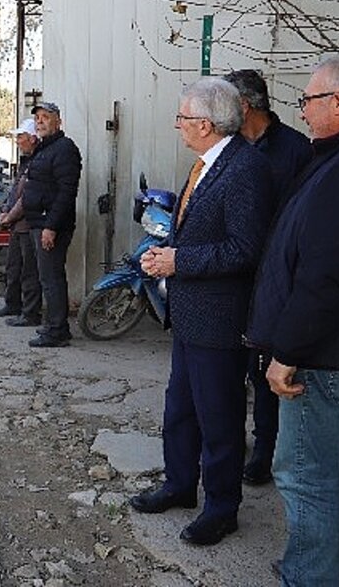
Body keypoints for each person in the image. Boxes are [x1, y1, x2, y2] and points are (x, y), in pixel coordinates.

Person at [130, 78, 272, 547]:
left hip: (220, 320)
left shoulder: (244, 169)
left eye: (183, 118)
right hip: (191, 316)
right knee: (180, 411)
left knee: (220, 418)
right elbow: (196, 234)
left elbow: (245, 249)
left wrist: (179, 261)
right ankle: (179, 486)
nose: (178, 125)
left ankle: (221, 508)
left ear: (206, 124)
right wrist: (166, 253)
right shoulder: (206, 165)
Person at [245, 54, 339, 586]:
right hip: (325, 356)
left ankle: (309, 576)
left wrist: (286, 352)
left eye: (309, 100)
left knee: (307, 475)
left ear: (338, 103)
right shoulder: (327, 161)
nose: (302, 110)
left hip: (320, 361)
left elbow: (327, 276)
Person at [223, 69, 313, 487]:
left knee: (265, 368)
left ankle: (265, 449)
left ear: (243, 105)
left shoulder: (297, 150)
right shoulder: (230, 147)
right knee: (231, 364)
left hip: (275, 277)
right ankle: (230, 439)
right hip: (232, 274)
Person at [20, 102, 81, 347]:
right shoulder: (45, 148)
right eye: (38, 119)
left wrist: (51, 226)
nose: (40, 122)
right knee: (48, 277)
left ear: (59, 122)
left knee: (52, 278)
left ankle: (57, 330)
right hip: (39, 222)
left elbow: (67, 192)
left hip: (50, 225)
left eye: (46, 117)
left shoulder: (64, 149)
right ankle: (55, 326)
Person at [0, 118, 41, 327]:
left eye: (21, 137)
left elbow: (27, 198)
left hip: (28, 224)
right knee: (13, 267)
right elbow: (15, 192)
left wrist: (9, 216)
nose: (18, 141)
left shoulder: (38, 162)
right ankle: (12, 304)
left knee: (29, 271)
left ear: (32, 139)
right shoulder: (25, 161)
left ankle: (30, 314)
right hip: (17, 225)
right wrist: (5, 210)